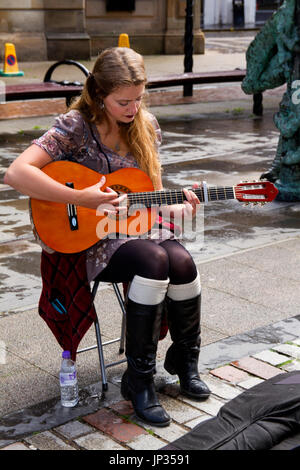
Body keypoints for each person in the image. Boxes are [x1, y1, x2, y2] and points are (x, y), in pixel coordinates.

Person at [4, 47, 211, 427]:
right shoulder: (75, 126)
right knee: (155, 260)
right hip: (87, 238)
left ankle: (185, 360)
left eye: (139, 99)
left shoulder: (145, 127)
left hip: (135, 228)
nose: (133, 109)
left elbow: (155, 195)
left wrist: (182, 210)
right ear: (99, 94)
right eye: (123, 102)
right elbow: (16, 174)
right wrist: (80, 196)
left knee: (183, 261)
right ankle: (141, 382)